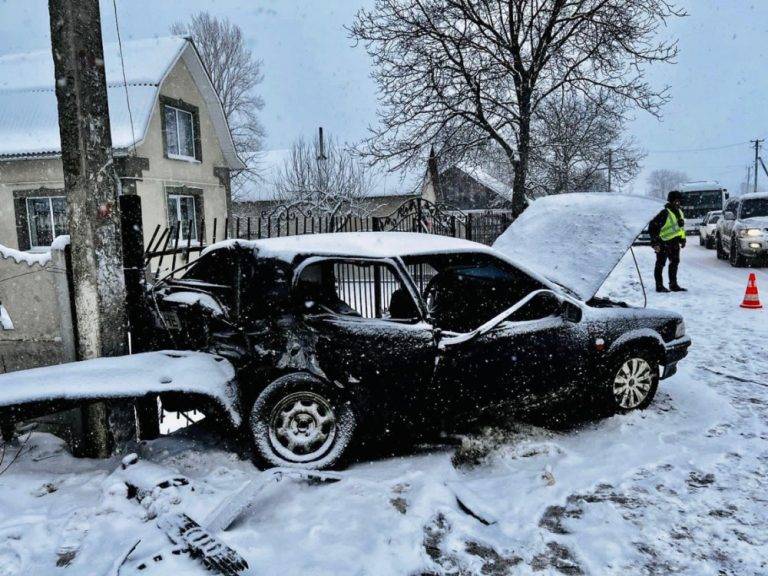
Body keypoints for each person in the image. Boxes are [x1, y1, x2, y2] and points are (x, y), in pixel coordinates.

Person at [648, 190, 687, 292]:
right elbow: (652, 227)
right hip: (662, 242)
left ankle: (673, 285)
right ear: (671, 201)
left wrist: (682, 239)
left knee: (674, 263)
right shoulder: (664, 212)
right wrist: (655, 243)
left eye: (680, 201)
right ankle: (659, 286)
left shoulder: (680, 212)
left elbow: (681, 228)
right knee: (660, 264)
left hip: (674, 242)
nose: (679, 203)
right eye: (677, 201)